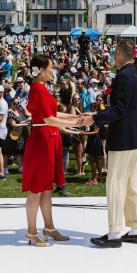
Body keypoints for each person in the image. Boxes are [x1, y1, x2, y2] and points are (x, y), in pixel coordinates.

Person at [83, 39, 137, 248]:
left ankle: (114, 234)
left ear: (119, 53)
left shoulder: (123, 76)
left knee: (116, 186)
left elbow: (118, 110)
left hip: (123, 137)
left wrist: (95, 117)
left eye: (114, 52)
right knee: (132, 184)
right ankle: (136, 229)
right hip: (135, 134)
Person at [20, 54, 88, 247]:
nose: (53, 70)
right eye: (51, 67)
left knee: (47, 188)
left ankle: (48, 227)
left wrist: (76, 117)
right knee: (36, 189)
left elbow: (52, 114)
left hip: (48, 139)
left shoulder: (41, 87)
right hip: (42, 140)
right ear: (40, 70)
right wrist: (76, 120)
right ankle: (31, 232)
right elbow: (49, 119)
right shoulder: (38, 89)